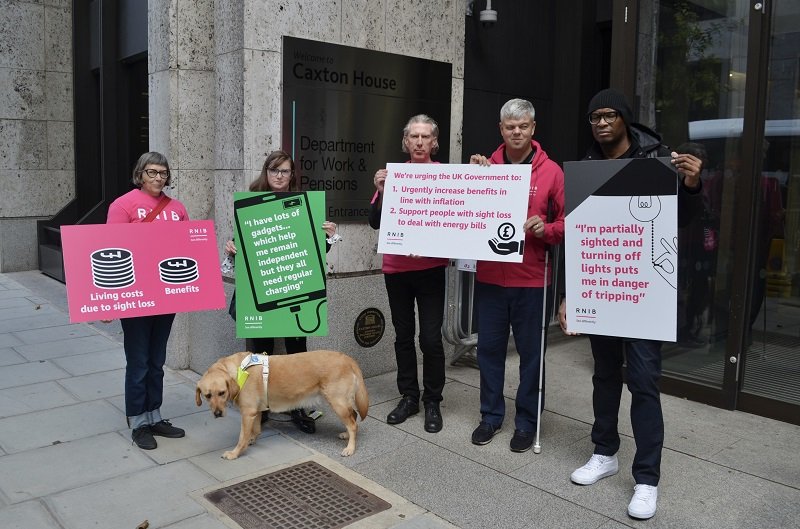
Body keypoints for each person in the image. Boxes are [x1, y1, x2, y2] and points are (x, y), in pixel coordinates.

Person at [558, 88, 702, 520]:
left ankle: (646, 479)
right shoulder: (584, 169)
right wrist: (570, 293)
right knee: (604, 376)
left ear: (624, 119)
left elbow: (686, 222)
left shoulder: (658, 159)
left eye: (609, 115)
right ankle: (605, 453)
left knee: (642, 382)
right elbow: (577, 239)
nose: (601, 123)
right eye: (594, 117)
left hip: (643, 294)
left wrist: (691, 185)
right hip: (603, 289)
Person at [467, 98, 565, 453]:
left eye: (523, 126)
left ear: (533, 128)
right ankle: (490, 416)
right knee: (489, 351)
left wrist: (545, 230)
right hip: (491, 277)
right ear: (501, 130)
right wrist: (471, 177)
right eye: (510, 127)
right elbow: (463, 211)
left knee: (531, 355)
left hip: (532, 279)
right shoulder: (485, 167)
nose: (517, 132)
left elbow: (567, 223)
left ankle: (527, 422)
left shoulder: (552, 171)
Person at [224, 149, 337, 434]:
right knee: (258, 355)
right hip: (259, 292)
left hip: (293, 288)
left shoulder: (305, 205)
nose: (278, 175)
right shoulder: (249, 202)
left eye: (284, 171)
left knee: (298, 353)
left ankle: (300, 407)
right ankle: (258, 408)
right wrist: (231, 249)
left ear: (292, 175)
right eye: (274, 170)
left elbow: (315, 253)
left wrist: (330, 236)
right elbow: (238, 253)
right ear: (266, 172)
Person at [369, 114, 448, 434]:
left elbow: (455, 220)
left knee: (430, 338)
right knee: (403, 336)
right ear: (405, 142)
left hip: (430, 269)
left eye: (424, 137)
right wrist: (381, 190)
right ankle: (409, 397)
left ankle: (433, 400)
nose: (418, 142)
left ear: (434, 142)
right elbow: (375, 222)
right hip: (397, 269)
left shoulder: (444, 175)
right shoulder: (391, 176)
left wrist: (427, 241)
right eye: (413, 137)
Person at [106, 151, 188, 450]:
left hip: (165, 295)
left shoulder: (177, 208)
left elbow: (186, 248)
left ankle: (154, 414)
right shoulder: (123, 205)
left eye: (163, 173)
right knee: (138, 361)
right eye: (152, 172)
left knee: (157, 360)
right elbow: (110, 252)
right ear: (140, 174)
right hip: (136, 297)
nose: (158, 178)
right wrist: (110, 301)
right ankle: (138, 421)